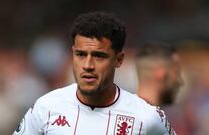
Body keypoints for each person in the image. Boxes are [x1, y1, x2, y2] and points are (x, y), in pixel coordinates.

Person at [13, 11, 174, 135]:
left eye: (99, 56)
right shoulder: (46, 107)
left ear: (118, 60)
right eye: (81, 55)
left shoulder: (147, 118)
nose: (88, 65)